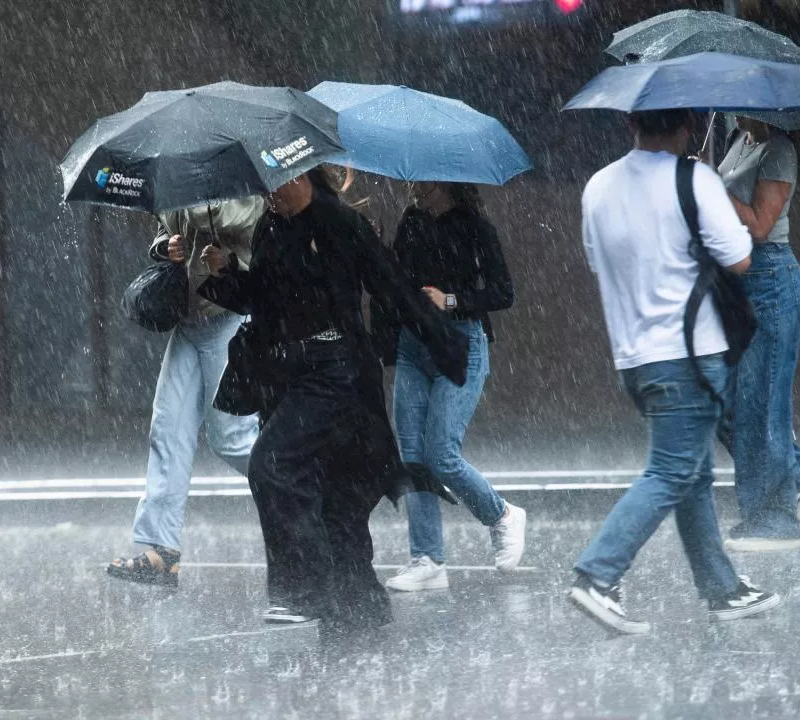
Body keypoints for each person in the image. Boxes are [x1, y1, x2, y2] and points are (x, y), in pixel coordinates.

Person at [199, 167, 468, 632]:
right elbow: (261, 300)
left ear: (301, 175)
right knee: (337, 501)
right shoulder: (271, 225)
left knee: (274, 465)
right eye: (263, 185)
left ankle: (304, 590)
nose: (269, 194)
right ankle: (359, 612)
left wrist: (445, 345)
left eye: (275, 183)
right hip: (289, 378)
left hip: (338, 375)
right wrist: (225, 274)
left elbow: (394, 288)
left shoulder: (341, 224)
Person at [568, 109, 781, 635]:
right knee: (670, 471)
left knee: (692, 473)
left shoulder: (598, 185)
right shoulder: (696, 178)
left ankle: (722, 589)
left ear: (630, 125)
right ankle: (598, 575)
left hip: (635, 357)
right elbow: (738, 259)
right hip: (690, 354)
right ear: (687, 127)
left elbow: (598, 261)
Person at [376, 181, 525, 592]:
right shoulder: (411, 221)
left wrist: (452, 300)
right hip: (414, 345)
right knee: (413, 456)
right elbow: (399, 281)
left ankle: (501, 516)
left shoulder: (477, 227)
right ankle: (427, 558)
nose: (414, 189)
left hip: (461, 345)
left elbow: (503, 292)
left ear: (444, 183)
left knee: (441, 454)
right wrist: (375, 250)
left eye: (423, 183)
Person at [106, 198, 262, 588]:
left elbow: (244, 220)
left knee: (233, 440)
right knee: (167, 431)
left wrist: (194, 203)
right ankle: (160, 550)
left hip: (227, 316)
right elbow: (166, 230)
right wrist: (166, 246)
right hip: (189, 320)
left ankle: (307, 494)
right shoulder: (184, 182)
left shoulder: (236, 176)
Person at [715, 118, 800, 552]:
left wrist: (712, 191)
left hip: (772, 277)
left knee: (765, 403)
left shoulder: (779, 149)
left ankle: (776, 517)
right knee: (724, 402)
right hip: (740, 282)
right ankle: (793, 476)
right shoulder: (739, 140)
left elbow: (760, 225)